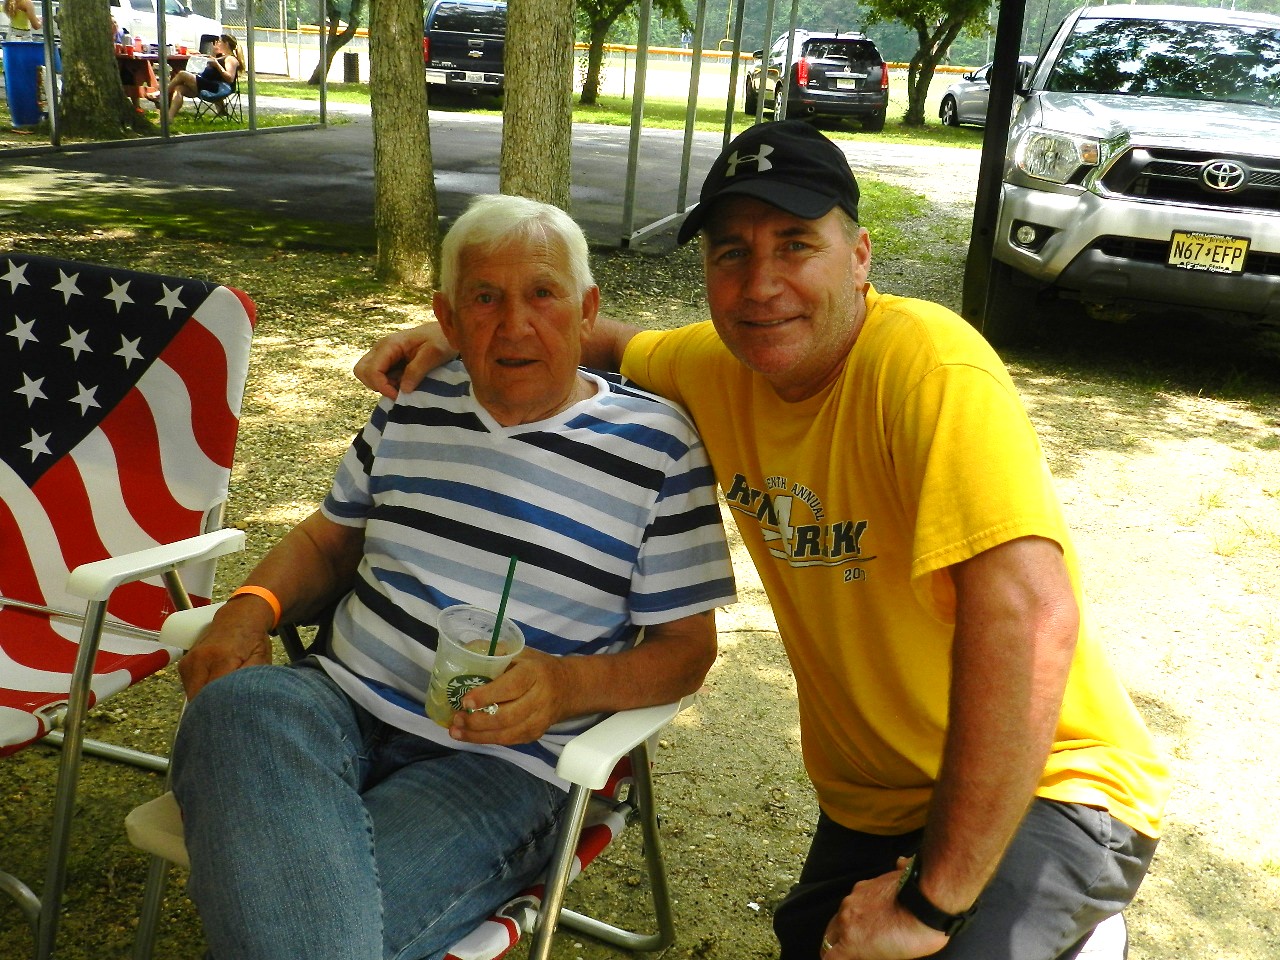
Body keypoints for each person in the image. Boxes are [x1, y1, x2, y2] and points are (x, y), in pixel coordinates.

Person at [355, 121, 1171, 960]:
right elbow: (596, 336)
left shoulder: (928, 368)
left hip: (1052, 785)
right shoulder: (720, 364)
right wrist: (466, 330)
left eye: (796, 245)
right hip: (875, 800)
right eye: (731, 253)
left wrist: (932, 903)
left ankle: (1071, 931)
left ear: (860, 257)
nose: (761, 285)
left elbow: (1031, 619)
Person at [171, 193, 736, 960]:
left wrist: (563, 686)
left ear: (587, 310)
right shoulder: (412, 401)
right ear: (447, 315)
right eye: (485, 298)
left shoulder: (659, 446)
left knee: (315, 933)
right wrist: (250, 605)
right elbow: (330, 542)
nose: (515, 325)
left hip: (502, 764)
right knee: (236, 704)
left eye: (543, 293)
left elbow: (687, 653)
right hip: (335, 700)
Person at [158, 33, 240, 121]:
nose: (216, 43)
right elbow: (214, 72)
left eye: (219, 41)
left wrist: (217, 65)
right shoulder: (222, 57)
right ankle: (169, 119)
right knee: (179, 88)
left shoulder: (231, 59)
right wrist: (214, 54)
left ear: (226, 43)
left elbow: (230, 79)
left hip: (217, 89)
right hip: (207, 85)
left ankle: (161, 95)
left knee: (182, 74)